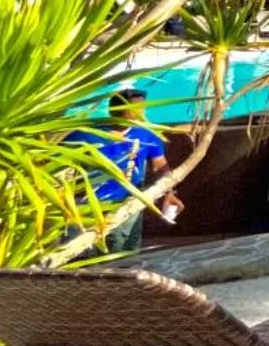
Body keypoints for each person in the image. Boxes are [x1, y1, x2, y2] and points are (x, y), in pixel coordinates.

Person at [67, 88, 183, 252]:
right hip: (88, 207)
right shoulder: (85, 135)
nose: (139, 113)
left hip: (127, 206)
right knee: (83, 254)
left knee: (124, 252)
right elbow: (58, 164)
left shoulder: (147, 136)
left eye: (142, 108)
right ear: (114, 110)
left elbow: (159, 167)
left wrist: (170, 193)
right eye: (134, 108)